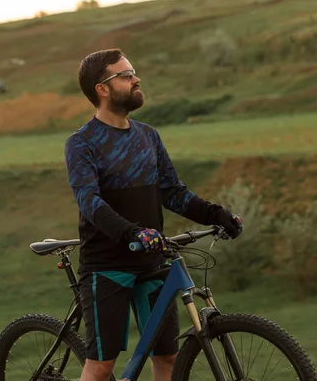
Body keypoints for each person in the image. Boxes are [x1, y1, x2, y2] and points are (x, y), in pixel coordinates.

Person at [64, 48, 243, 381]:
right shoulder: (82, 143)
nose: (136, 78)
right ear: (102, 89)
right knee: (102, 367)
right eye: (126, 75)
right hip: (107, 267)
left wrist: (215, 214)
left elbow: (172, 192)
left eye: (133, 72)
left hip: (151, 260)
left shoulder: (148, 136)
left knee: (167, 357)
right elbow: (89, 202)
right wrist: (133, 232)